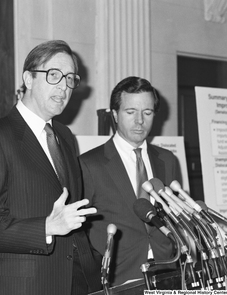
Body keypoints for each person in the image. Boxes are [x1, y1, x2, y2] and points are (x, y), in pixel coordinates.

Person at [0, 40, 102, 295]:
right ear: (28, 79)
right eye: (54, 75)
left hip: (79, 281)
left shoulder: (64, 135)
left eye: (71, 78)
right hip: (27, 286)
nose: (64, 86)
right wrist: (47, 227)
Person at [79, 76, 181, 286]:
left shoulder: (167, 160)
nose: (139, 121)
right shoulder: (89, 164)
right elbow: (80, 233)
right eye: (130, 112)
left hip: (167, 272)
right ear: (115, 114)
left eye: (147, 112)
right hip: (118, 280)